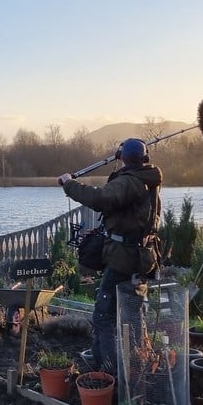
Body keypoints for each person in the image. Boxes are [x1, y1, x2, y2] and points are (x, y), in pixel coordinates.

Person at [58, 138, 162, 373]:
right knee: (132, 313)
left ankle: (108, 373)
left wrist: (69, 184)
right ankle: (138, 364)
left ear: (123, 157)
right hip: (141, 256)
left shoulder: (131, 181)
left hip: (124, 259)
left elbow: (101, 198)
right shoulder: (146, 178)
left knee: (104, 317)